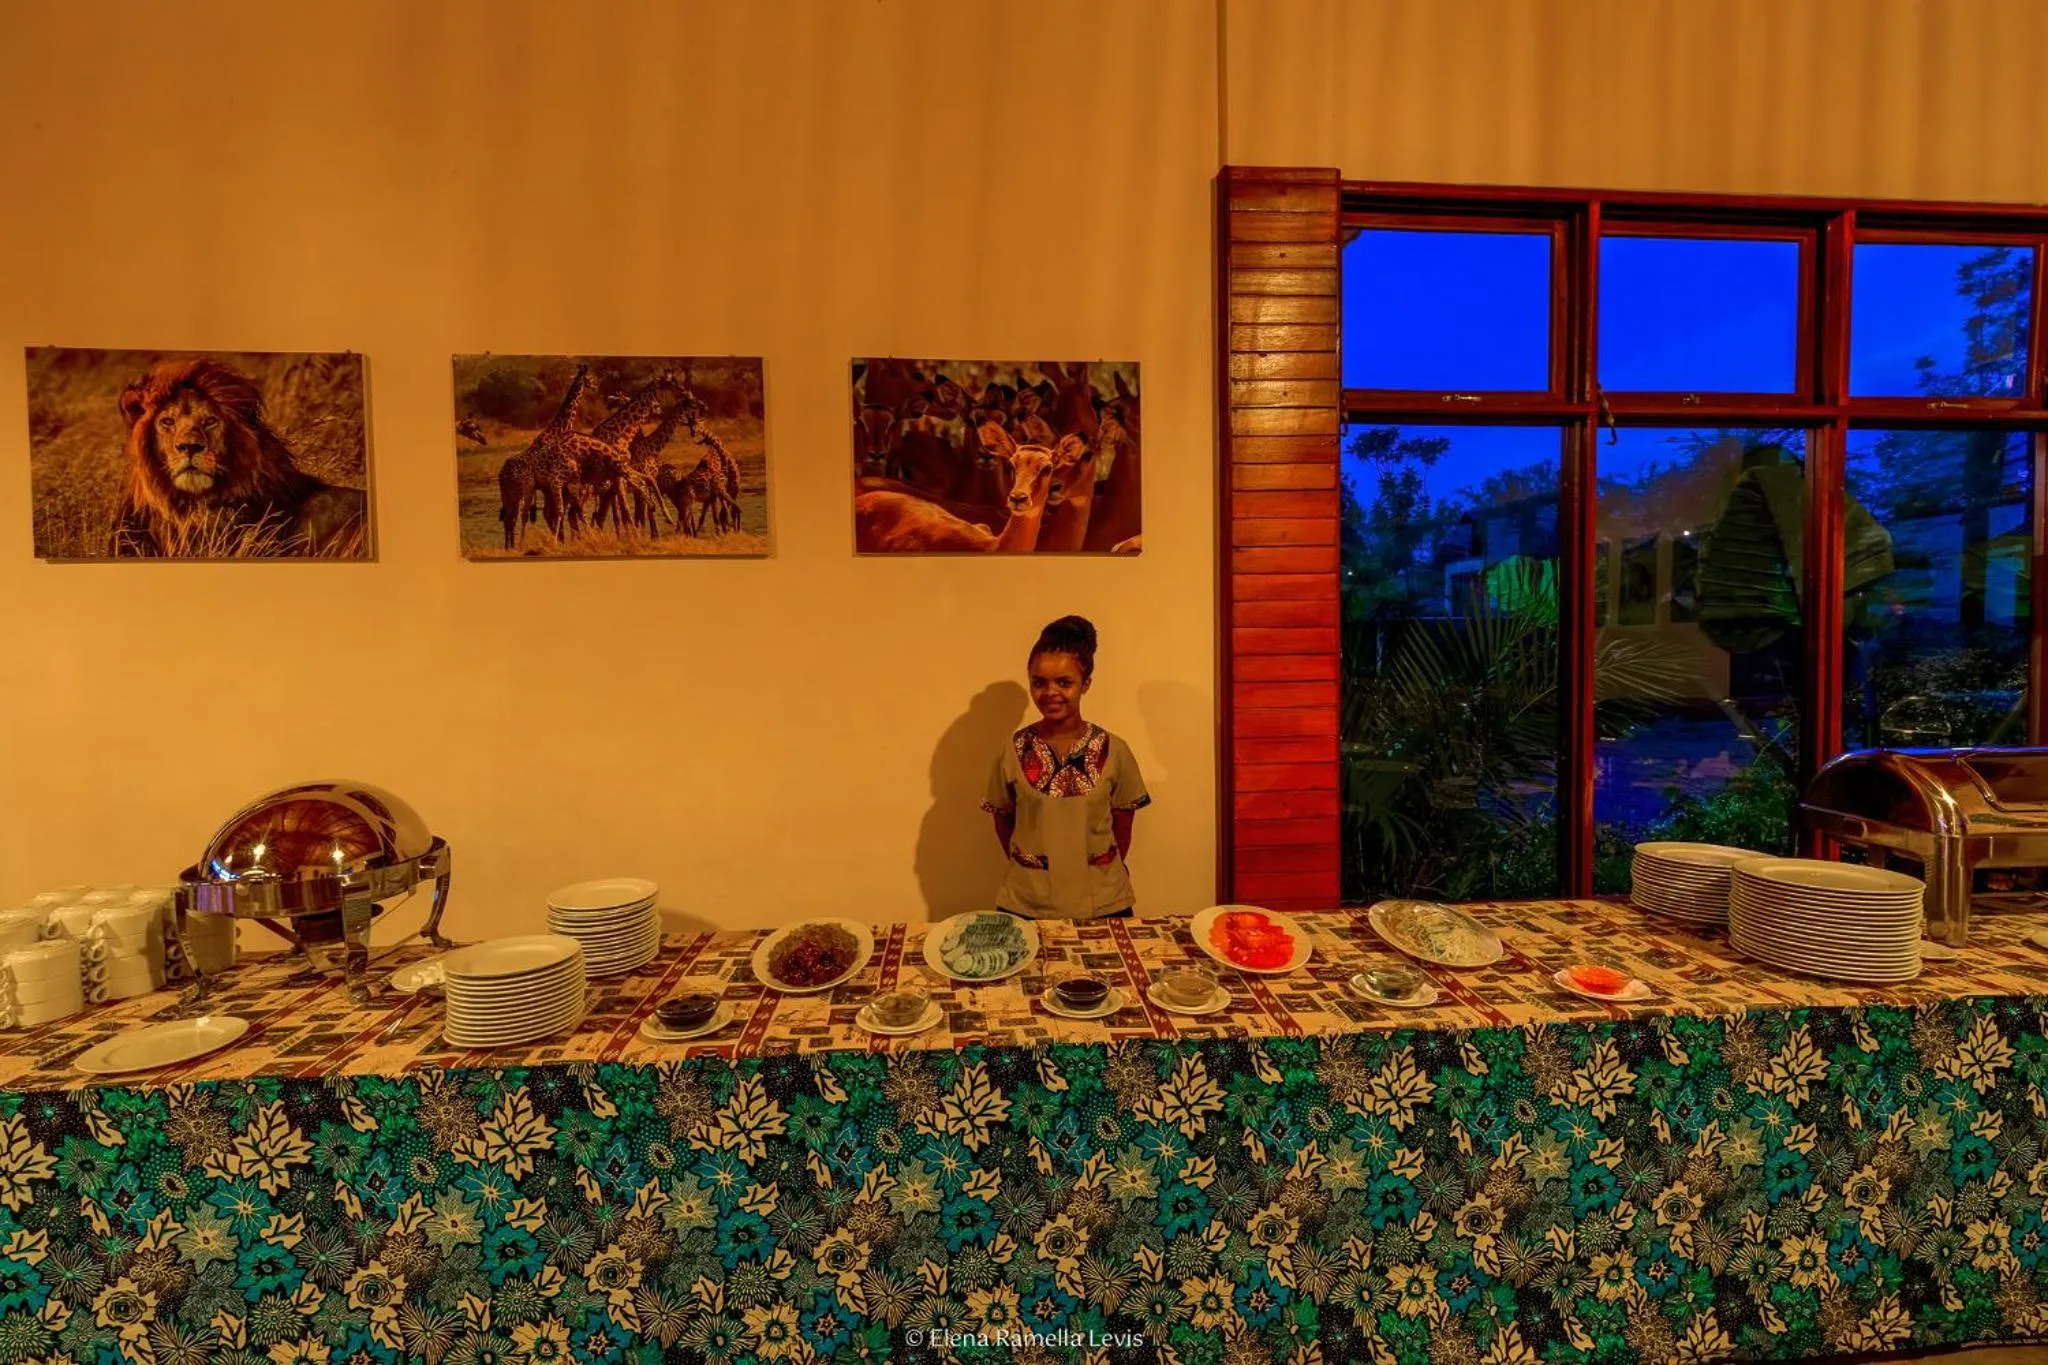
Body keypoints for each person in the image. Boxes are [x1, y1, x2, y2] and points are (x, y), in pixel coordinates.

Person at [983, 615, 1151, 919]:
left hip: (1104, 902)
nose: (1050, 692)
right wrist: (1031, 869)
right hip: (1027, 902)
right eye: (1039, 682)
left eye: (1064, 682)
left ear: (1085, 684)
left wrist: (1099, 869)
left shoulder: (1114, 750)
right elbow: (1003, 820)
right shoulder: (1013, 750)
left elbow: (1123, 824)